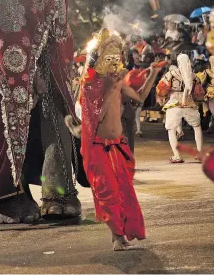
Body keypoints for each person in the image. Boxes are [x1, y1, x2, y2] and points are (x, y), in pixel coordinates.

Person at [79, 29, 161, 251]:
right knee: (109, 194)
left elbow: (141, 97)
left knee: (125, 193)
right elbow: (96, 116)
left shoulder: (120, 83)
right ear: (99, 59)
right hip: (98, 148)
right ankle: (117, 236)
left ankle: (122, 234)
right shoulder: (89, 85)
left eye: (117, 57)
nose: (114, 62)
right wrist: (110, 87)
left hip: (119, 146)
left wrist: (152, 73)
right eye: (109, 57)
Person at [156, 54, 204, 163]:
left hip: (174, 104)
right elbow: (198, 94)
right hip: (189, 104)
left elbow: (161, 89)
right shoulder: (194, 76)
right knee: (197, 127)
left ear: (178, 63)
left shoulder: (171, 74)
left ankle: (177, 155)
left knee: (171, 130)